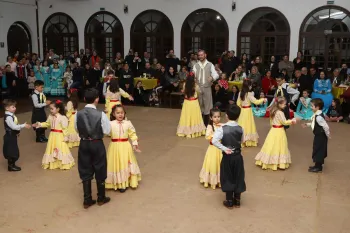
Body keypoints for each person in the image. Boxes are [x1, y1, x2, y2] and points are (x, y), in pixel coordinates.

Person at [75, 88, 111, 209]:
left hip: (84, 143)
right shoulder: (101, 114)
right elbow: (107, 130)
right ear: (97, 99)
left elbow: (76, 128)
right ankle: (101, 197)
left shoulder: (78, 114)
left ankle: (87, 199)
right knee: (100, 167)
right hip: (97, 143)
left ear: (84, 99)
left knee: (85, 168)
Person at [212, 104, 246, 209]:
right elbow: (243, 141)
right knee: (238, 176)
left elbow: (214, 141)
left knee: (227, 176)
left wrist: (224, 148)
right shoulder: (241, 128)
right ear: (238, 116)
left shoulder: (222, 128)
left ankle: (229, 201)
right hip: (238, 156)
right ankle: (237, 200)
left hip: (227, 157)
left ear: (226, 116)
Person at [105, 105, 142, 192]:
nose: (120, 115)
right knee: (117, 164)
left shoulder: (128, 123)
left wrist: (134, 144)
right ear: (114, 114)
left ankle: (126, 182)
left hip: (125, 146)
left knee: (125, 163)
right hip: (114, 147)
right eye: (118, 113)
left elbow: (132, 134)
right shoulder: (110, 124)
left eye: (122, 112)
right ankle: (118, 183)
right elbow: (106, 132)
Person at [255, 97, 297, 170]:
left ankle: (266, 161)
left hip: (273, 130)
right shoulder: (280, 112)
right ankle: (278, 162)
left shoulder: (273, 111)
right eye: (284, 104)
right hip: (279, 130)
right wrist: (292, 120)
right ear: (279, 104)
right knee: (279, 145)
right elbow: (284, 122)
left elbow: (271, 122)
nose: (285, 105)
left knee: (270, 145)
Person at [33, 100, 75, 170]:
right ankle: (53, 163)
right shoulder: (50, 116)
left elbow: (65, 129)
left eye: (52, 109)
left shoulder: (62, 117)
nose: (50, 110)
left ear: (58, 109)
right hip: (52, 136)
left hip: (59, 136)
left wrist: (66, 136)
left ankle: (62, 163)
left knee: (61, 148)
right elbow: (47, 124)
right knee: (52, 148)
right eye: (50, 108)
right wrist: (39, 124)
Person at [302, 98, 330, 173]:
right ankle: (317, 165)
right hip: (318, 135)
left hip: (321, 136)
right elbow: (315, 124)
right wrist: (308, 124)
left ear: (317, 107)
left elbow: (326, 126)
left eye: (312, 106)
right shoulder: (316, 115)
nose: (311, 107)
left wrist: (327, 135)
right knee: (316, 149)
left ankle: (319, 167)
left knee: (319, 150)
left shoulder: (319, 117)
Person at [3, 99, 31, 172]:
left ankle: (12, 164)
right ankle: (11, 166)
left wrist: (17, 131)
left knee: (13, 150)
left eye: (15, 106)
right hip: (10, 136)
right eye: (13, 107)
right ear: (7, 108)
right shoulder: (8, 117)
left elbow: (15, 124)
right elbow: (13, 127)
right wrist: (23, 125)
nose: (15, 108)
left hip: (12, 135)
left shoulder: (11, 115)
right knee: (12, 151)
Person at [192, 50, 219, 125]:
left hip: (207, 88)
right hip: (198, 88)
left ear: (205, 55)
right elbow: (192, 75)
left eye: (202, 55)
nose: (200, 56)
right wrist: (193, 78)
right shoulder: (196, 65)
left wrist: (212, 78)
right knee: (199, 107)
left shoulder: (210, 65)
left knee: (208, 107)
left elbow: (216, 75)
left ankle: (207, 125)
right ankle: (199, 125)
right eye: (199, 55)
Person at [237, 79, 267, 147]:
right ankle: (248, 141)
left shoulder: (240, 93)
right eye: (250, 85)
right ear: (248, 86)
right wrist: (263, 99)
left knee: (242, 125)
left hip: (242, 111)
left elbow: (238, 103)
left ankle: (242, 140)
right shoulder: (249, 94)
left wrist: (242, 107)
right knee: (249, 125)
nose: (251, 86)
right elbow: (256, 101)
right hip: (248, 111)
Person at [199, 108, 222, 189]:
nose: (217, 118)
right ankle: (211, 181)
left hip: (220, 149)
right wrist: (217, 134)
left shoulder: (221, 125)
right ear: (211, 118)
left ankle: (219, 180)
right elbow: (208, 136)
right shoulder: (209, 126)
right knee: (212, 164)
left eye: (218, 116)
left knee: (220, 164)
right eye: (215, 117)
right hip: (213, 149)